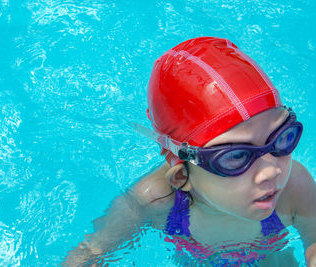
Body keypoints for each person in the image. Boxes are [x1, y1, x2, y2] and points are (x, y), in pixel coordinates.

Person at [64, 37, 316, 266]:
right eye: (237, 156)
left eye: (282, 138)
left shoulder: (294, 188)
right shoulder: (153, 201)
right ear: (180, 177)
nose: (271, 169)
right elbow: (89, 254)